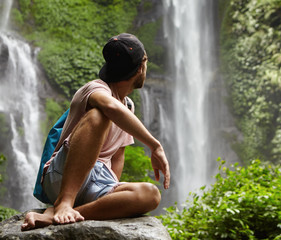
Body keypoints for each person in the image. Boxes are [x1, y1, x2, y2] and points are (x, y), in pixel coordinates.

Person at [21, 33, 170, 231]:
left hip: (98, 182)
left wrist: (113, 192)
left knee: (151, 194)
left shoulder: (128, 106)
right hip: (64, 172)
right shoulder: (94, 89)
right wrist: (155, 145)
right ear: (141, 66)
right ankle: (65, 202)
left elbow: (118, 155)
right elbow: (110, 108)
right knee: (98, 116)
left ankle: (60, 213)